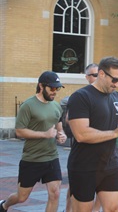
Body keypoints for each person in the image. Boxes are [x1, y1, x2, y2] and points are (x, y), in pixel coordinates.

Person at [67, 56, 118, 212]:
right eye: (114, 80)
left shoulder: (116, 96)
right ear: (102, 74)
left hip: (110, 164)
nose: (117, 84)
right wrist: (115, 133)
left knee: (114, 208)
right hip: (84, 166)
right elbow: (81, 134)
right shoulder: (81, 97)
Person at [0, 71, 67, 212]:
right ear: (41, 86)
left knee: (55, 194)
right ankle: (4, 205)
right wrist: (45, 134)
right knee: (22, 197)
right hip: (32, 159)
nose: (55, 92)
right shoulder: (28, 105)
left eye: (57, 88)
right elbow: (19, 131)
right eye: (52, 88)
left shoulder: (56, 106)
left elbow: (58, 124)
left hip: (51, 157)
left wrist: (61, 134)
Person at [64, 63, 100, 212]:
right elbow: (68, 119)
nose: (97, 77)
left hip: (103, 152)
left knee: (102, 187)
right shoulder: (81, 96)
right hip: (83, 153)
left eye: (99, 74)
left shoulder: (109, 96)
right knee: (75, 188)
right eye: (94, 75)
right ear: (87, 77)